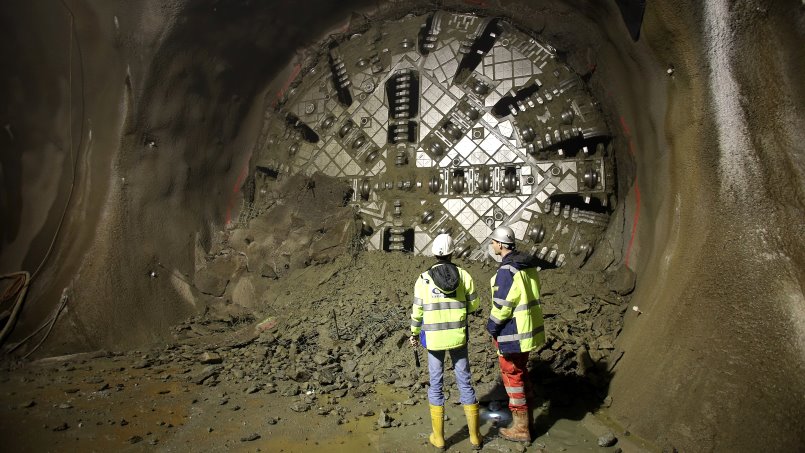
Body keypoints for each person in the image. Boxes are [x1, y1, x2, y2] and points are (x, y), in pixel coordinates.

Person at [409, 233, 483, 450]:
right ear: (453, 252)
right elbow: (475, 305)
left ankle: (439, 439)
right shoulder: (464, 275)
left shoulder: (423, 279)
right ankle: (475, 437)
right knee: (465, 382)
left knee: (436, 384)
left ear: (434, 253)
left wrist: (414, 333)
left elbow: (417, 312)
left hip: (434, 341)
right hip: (458, 338)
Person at [486, 225, 545, 442]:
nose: (492, 244)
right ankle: (527, 422)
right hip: (527, 331)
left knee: (512, 377)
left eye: (493, 241)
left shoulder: (506, 270)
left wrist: (491, 327)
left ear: (501, 244)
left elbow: (502, 305)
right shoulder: (526, 267)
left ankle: (521, 429)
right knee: (521, 373)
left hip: (512, 333)